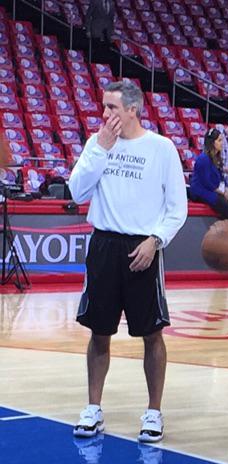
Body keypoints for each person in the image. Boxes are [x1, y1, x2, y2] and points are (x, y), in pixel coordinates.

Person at [68, 79, 187, 444]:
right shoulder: (98, 143)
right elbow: (76, 191)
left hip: (143, 248)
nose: (104, 114)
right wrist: (100, 150)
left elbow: (177, 209)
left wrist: (156, 240)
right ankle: (93, 408)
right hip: (104, 246)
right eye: (104, 107)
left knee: (152, 333)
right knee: (98, 331)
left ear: (133, 110)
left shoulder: (161, 148)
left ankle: (153, 412)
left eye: (111, 108)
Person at [191, 128, 228, 222]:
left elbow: (222, 178)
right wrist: (223, 193)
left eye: (222, 140)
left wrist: (227, 190)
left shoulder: (217, 158)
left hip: (216, 190)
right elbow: (206, 183)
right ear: (212, 143)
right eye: (219, 140)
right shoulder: (203, 159)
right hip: (203, 191)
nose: (222, 143)